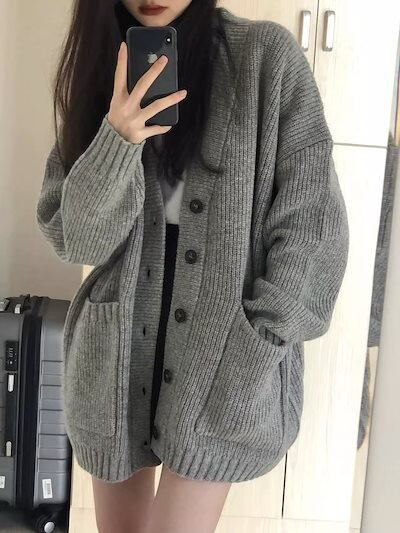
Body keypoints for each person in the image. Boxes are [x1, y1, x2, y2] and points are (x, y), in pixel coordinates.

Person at [35, 1, 349, 532]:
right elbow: (77, 238)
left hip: (222, 353)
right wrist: (117, 137)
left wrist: (260, 338)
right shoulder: (101, 65)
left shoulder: (265, 58)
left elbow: (313, 225)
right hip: (114, 357)